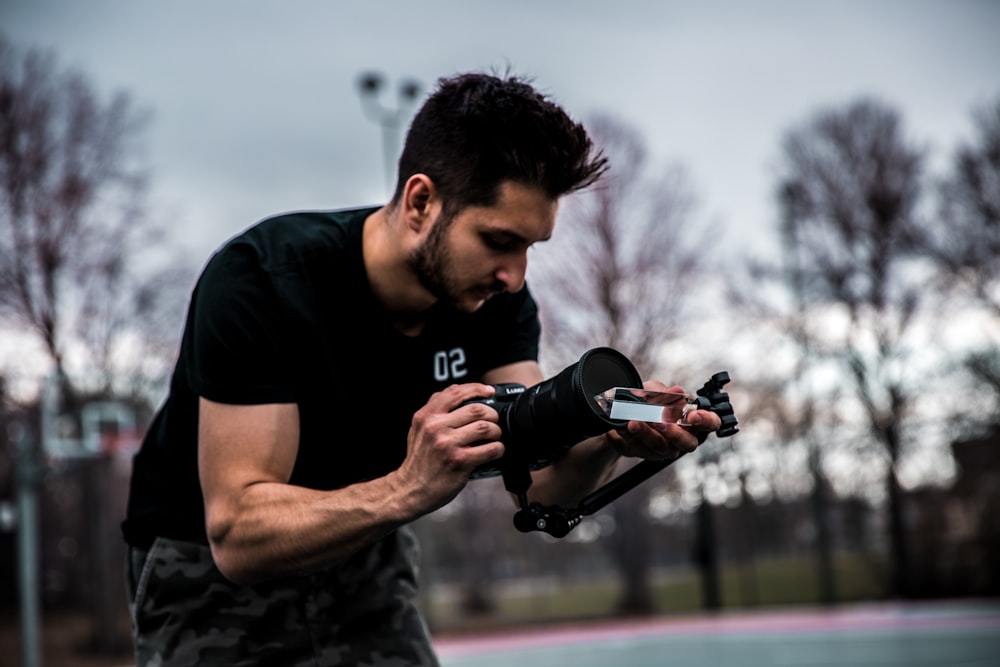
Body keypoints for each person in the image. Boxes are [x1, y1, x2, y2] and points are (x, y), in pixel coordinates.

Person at [121, 70, 722, 666]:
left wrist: (613, 436)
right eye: (498, 240)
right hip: (207, 570)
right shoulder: (262, 283)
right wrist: (408, 487)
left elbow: (536, 476)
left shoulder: (496, 301)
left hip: (365, 560)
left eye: (530, 248)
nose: (515, 275)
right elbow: (238, 535)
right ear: (421, 202)